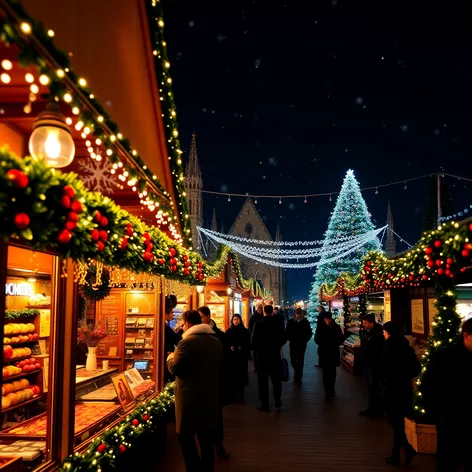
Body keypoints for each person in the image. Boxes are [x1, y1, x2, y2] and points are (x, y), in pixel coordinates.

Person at [167, 310, 223, 472]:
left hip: (190, 399)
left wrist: (170, 357)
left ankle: (193, 468)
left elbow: (175, 367)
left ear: (188, 324)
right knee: (206, 440)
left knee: (185, 437)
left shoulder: (187, 343)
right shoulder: (215, 342)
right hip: (210, 397)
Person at [421, 317, 472, 472]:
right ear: (466, 335)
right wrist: (438, 414)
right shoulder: (444, 356)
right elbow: (427, 385)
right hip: (451, 421)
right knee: (448, 462)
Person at [381, 321, 420, 466]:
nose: (383, 334)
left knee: (393, 420)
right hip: (405, 389)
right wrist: (406, 376)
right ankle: (397, 454)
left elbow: (383, 369)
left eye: (384, 332)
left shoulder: (388, 348)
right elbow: (417, 367)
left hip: (392, 389)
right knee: (399, 422)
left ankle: (406, 449)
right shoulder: (407, 347)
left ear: (388, 332)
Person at [197, 306, 229, 459]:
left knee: (215, 417)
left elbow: (225, 363)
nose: (199, 321)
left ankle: (218, 444)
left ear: (208, 317)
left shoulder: (219, 337)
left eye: (201, 317)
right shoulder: (193, 337)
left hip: (215, 385)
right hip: (199, 386)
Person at [251, 304, 286, 412]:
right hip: (274, 356)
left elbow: (253, 341)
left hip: (262, 357)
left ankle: (265, 404)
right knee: (276, 379)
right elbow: (284, 339)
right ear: (272, 312)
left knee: (262, 381)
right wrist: (276, 345)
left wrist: (257, 350)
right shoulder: (278, 324)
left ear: (264, 312)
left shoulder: (258, 324)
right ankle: (277, 399)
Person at [359, 312, 384, 418]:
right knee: (369, 387)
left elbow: (378, 349)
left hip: (374, 364)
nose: (363, 324)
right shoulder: (365, 332)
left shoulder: (378, 333)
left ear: (371, 323)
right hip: (366, 363)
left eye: (365, 323)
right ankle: (371, 408)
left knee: (375, 387)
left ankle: (378, 411)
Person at [314, 311, 344, 399]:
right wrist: (323, 343)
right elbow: (316, 339)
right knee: (326, 373)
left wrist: (335, 343)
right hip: (324, 352)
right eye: (325, 319)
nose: (327, 321)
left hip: (333, 352)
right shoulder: (321, 328)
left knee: (332, 372)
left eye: (328, 319)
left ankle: (332, 388)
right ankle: (327, 390)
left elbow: (341, 338)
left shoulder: (336, 327)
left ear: (331, 319)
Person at [225, 314, 250, 401]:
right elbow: (226, 342)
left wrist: (242, 347)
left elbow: (247, 343)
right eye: (234, 319)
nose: (235, 321)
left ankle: (241, 394)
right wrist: (230, 347)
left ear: (240, 320)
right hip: (232, 357)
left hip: (241, 357)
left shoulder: (245, 331)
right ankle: (233, 394)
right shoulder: (229, 331)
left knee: (241, 375)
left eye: (237, 319)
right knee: (233, 375)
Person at [285, 307, 313, 385]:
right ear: (295, 314)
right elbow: (286, 331)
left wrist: (305, 340)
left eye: (299, 314)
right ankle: (297, 371)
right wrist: (290, 338)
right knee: (293, 360)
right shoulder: (291, 321)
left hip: (302, 344)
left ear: (302, 314)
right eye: (297, 314)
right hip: (293, 343)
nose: (298, 315)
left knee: (300, 360)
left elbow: (309, 333)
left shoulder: (305, 322)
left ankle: (298, 378)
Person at [164, 295, 181, 383]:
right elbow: (177, 340)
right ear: (166, 314)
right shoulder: (165, 327)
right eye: (171, 313)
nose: (173, 315)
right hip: (166, 358)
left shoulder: (165, 326)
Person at [248, 303, 264, 372]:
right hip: (255, 337)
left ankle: (259, 365)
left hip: (262, 338)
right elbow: (250, 328)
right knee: (255, 353)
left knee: (260, 353)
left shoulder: (263, 316)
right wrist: (252, 335)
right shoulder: (252, 317)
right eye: (259, 308)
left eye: (261, 308)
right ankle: (256, 366)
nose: (260, 310)